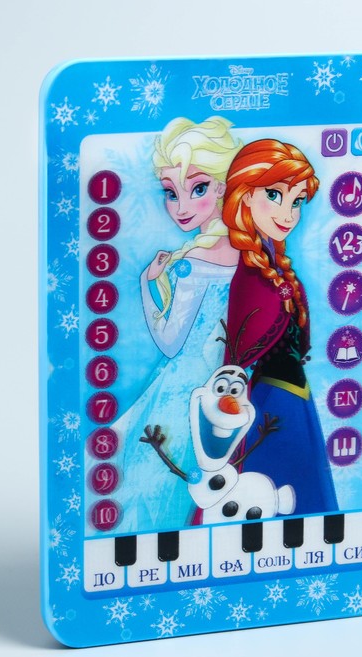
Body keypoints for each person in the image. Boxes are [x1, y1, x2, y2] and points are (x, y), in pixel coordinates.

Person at [112, 117, 243, 533]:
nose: (181, 206)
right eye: (171, 193)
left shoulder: (194, 263)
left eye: (197, 188)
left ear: (222, 186)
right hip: (229, 389)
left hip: (181, 393)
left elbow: (170, 342)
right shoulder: (246, 252)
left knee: (154, 490)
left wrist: (147, 284)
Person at [221, 139, 338, 515]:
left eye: (297, 201)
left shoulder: (270, 263)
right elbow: (239, 357)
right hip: (268, 404)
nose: (288, 213)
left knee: (301, 496)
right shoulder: (249, 274)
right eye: (274, 195)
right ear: (244, 195)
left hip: (289, 398)